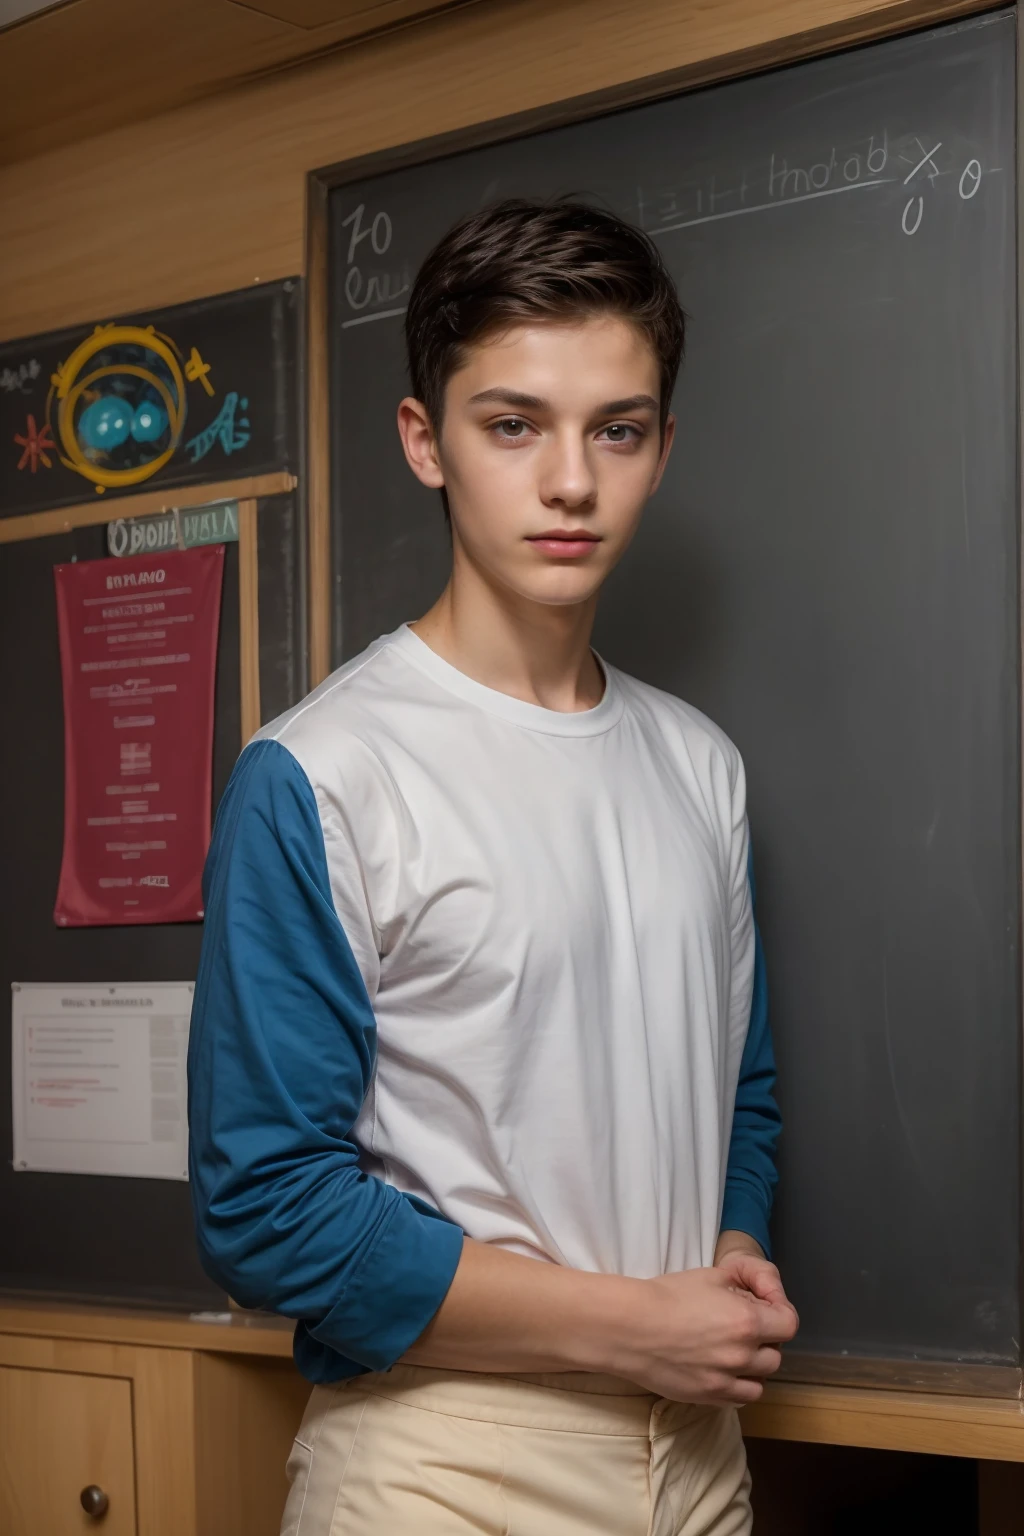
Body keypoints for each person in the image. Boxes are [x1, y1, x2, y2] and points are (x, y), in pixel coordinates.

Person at [187, 198, 798, 1536]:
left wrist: (730, 1266)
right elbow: (267, 1209)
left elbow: (732, 1093)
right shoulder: (325, 775)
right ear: (428, 441)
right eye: (513, 424)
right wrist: (631, 1328)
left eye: (615, 430)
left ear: (660, 447)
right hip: (444, 1463)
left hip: (698, 1456)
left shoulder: (703, 766)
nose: (570, 481)